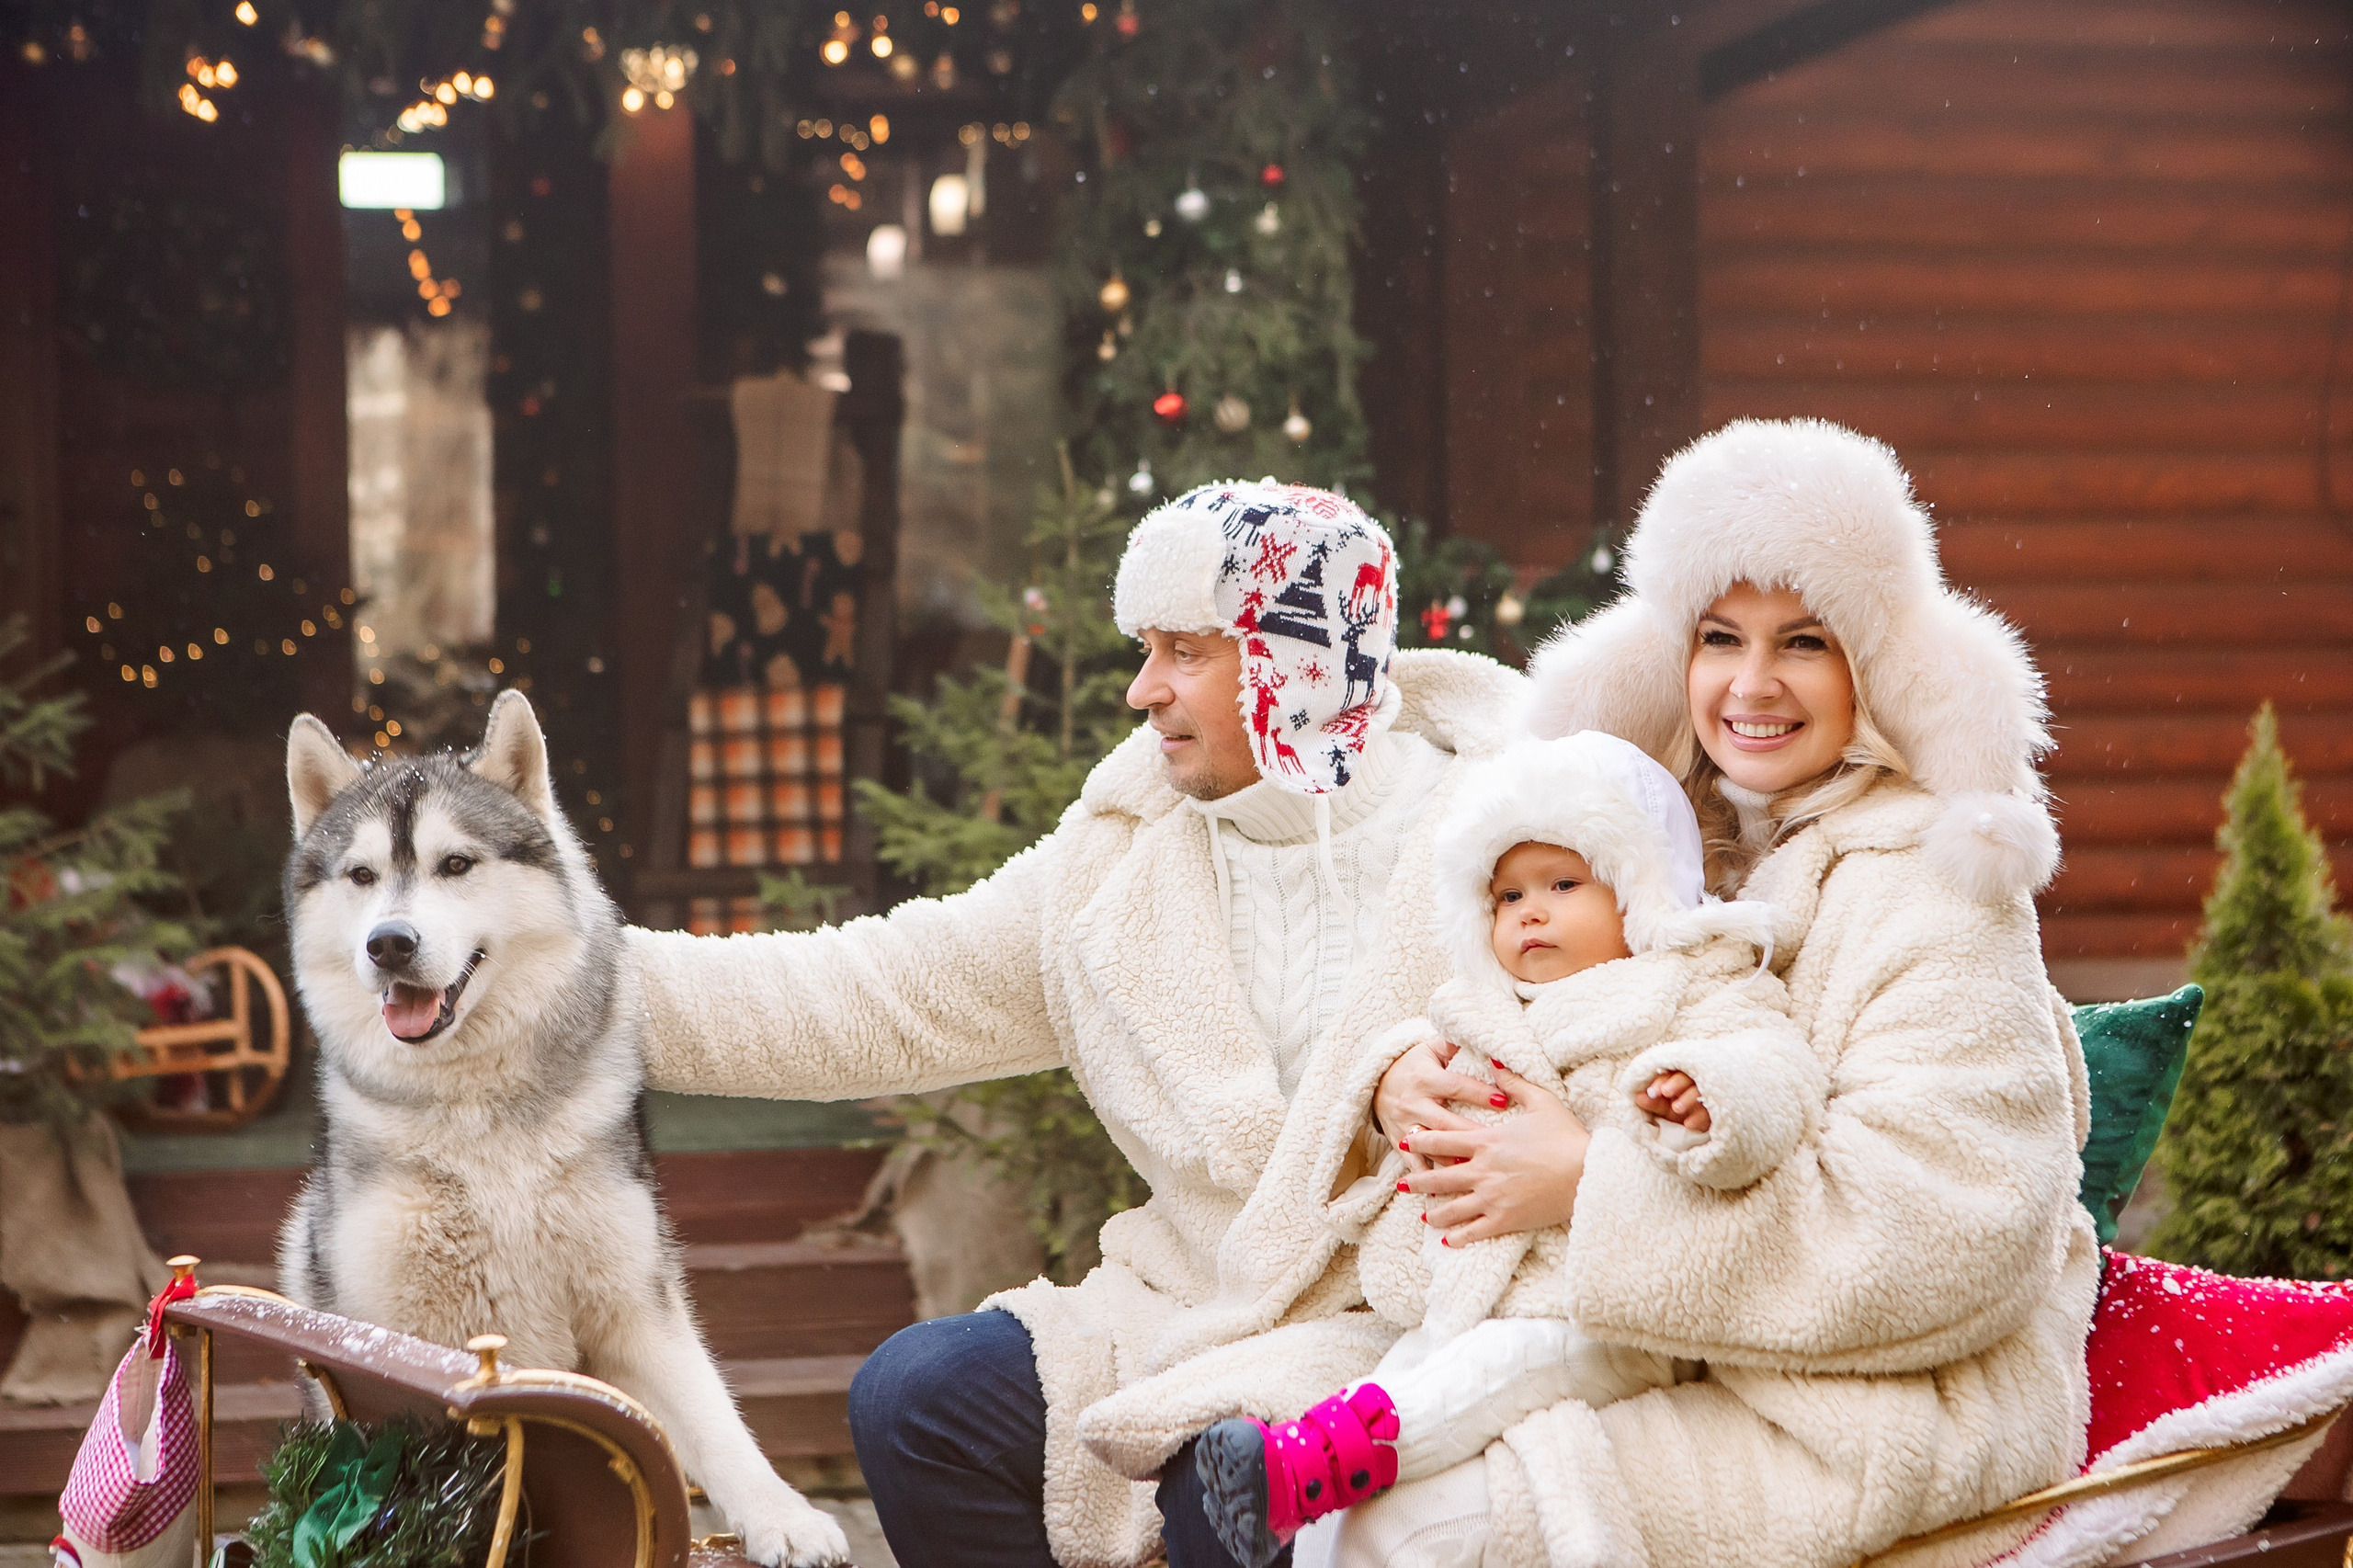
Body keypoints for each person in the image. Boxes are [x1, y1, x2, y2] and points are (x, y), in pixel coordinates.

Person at [626, 478, 1529, 1568]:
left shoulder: (1512, 831)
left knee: (1236, 1482)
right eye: (1141, 648)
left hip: (1417, 1324)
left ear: (1295, 659)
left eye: (1183, 651)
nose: (1141, 690)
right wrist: (569, 977)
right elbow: (876, 992)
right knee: (919, 1394)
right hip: (1187, 1308)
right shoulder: (1118, 855)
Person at [1324, 416, 2096, 1568]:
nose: (1750, 684)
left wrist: (1591, 1183)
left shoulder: (1936, 888)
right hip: (1621, 1336)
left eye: (1803, 642)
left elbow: (1951, 1230)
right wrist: (1409, 1081)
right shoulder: (1639, 851)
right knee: (1291, 1491)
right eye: (1718, 636)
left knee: (1402, 1532)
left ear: (1872, 666)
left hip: (1872, 1403)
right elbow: (1493, 1015)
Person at [1184, 729, 1821, 1568]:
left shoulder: (1697, 987)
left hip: (1597, 1307)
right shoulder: (1483, 1012)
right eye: (1508, 896)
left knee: (1476, 1381)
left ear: (1644, 892)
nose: (1531, 912)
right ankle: (1306, 1493)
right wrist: (1398, 1095)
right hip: (1467, 1294)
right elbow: (1416, 1095)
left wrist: (1712, 1094)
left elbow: (1777, 1069)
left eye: (1563, 883)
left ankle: (1313, 1461)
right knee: (1390, 1430)